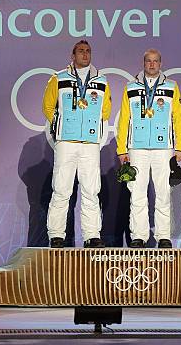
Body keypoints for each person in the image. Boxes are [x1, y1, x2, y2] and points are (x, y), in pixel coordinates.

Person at [42, 40, 111, 248]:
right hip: (67, 142)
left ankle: (91, 235)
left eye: (88, 51)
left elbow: (106, 110)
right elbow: (47, 105)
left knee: (91, 190)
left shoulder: (101, 80)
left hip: (89, 142)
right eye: (80, 51)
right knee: (62, 189)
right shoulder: (59, 78)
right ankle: (56, 234)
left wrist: (93, 124)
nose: (85, 54)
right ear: (72, 55)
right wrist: (62, 124)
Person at [116, 49, 181, 249]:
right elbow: (123, 121)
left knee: (163, 193)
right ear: (143, 63)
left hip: (163, 147)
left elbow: (178, 118)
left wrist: (179, 146)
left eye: (155, 61)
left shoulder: (172, 87)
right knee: (137, 192)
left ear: (160, 63)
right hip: (137, 148)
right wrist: (122, 149)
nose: (152, 65)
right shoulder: (130, 87)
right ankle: (139, 236)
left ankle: (164, 236)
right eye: (148, 61)